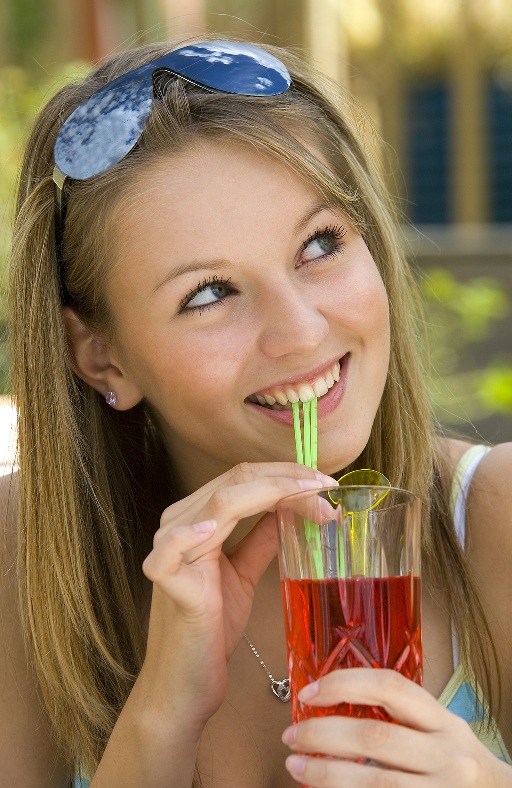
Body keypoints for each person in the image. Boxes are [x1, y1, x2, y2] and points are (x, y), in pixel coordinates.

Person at [1, 36, 511, 787]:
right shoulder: (25, 555)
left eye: (320, 243)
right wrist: (163, 715)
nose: (302, 331)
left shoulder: (495, 517)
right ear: (101, 356)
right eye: (208, 293)